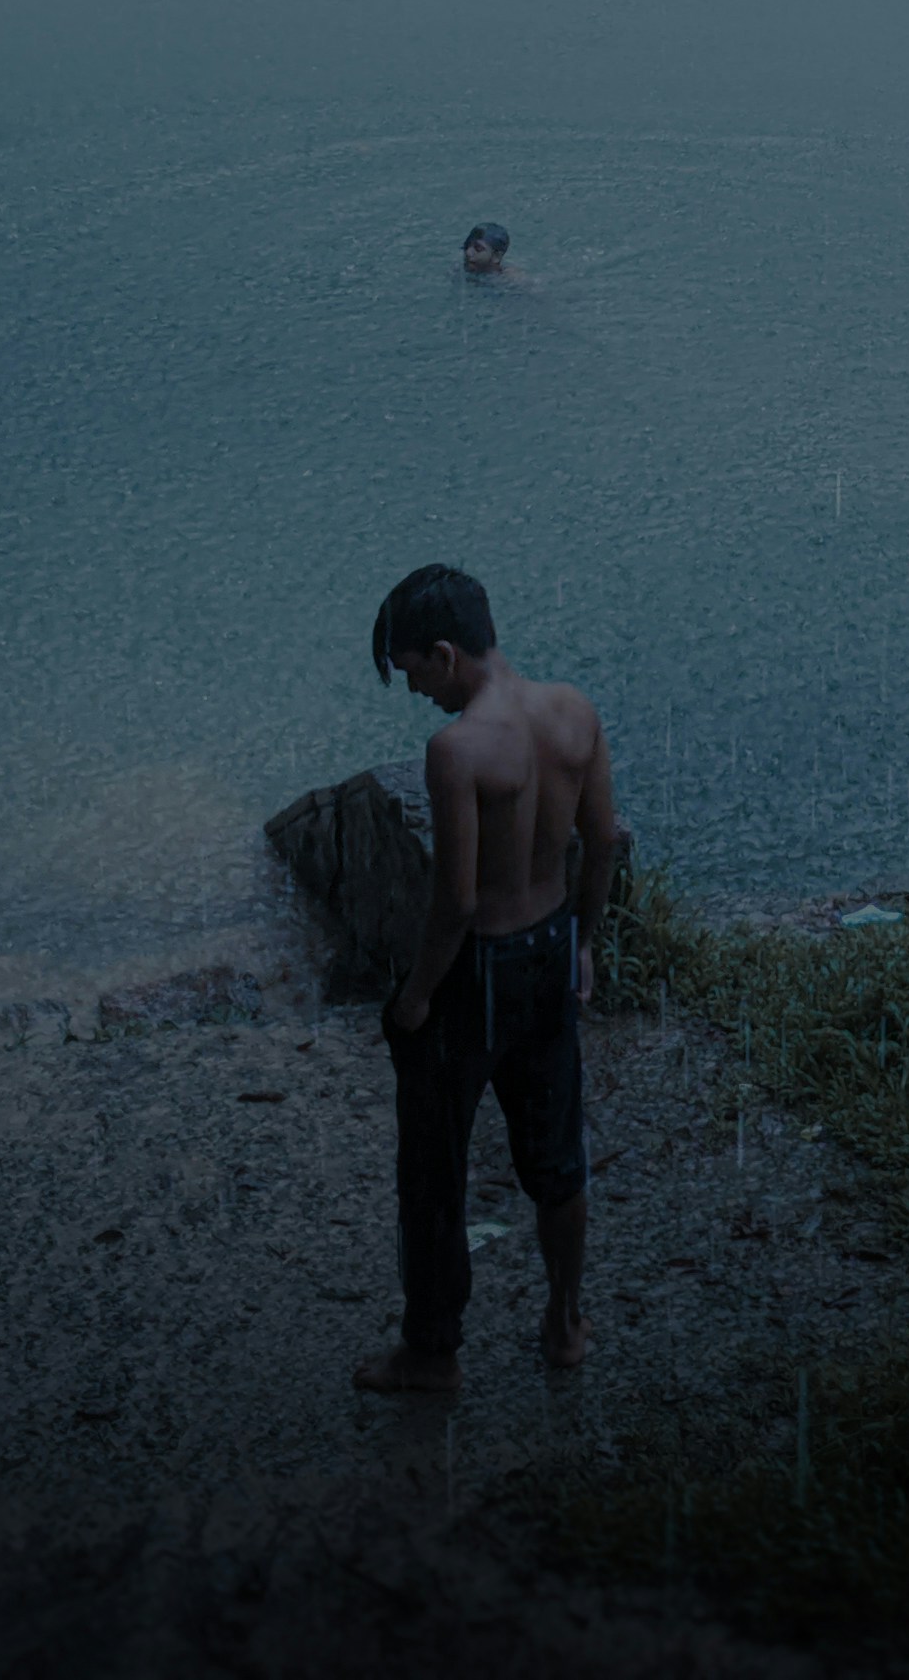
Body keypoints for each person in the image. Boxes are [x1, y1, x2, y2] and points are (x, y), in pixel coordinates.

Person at [352, 563, 621, 1395]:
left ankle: (432, 1353)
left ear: (444, 653)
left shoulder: (458, 749)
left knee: (435, 1166)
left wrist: (418, 994)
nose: (415, 692)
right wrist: (582, 940)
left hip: (480, 973)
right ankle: (565, 1321)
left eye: (412, 672)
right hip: (548, 950)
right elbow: (603, 840)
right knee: (556, 1157)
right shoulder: (573, 712)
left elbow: (460, 899)